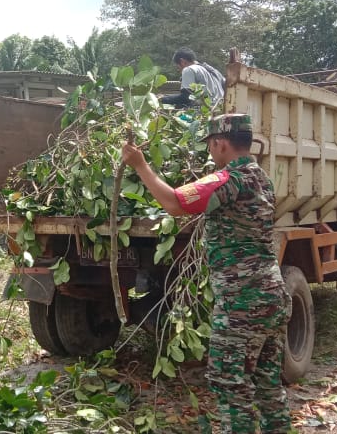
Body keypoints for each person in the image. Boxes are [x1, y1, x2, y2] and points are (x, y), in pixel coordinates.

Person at [121, 114, 292, 433]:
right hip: (273, 297)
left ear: (221, 143)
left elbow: (173, 202)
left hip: (243, 305)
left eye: (211, 145)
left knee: (230, 387)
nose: (210, 152)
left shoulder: (229, 180)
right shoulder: (262, 178)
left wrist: (140, 165)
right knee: (269, 388)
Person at [159, 47, 225, 110]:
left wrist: (162, 99)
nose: (179, 71)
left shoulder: (189, 69)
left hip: (205, 112)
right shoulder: (213, 71)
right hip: (221, 110)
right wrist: (165, 96)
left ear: (182, 61)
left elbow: (186, 97)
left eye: (178, 67)